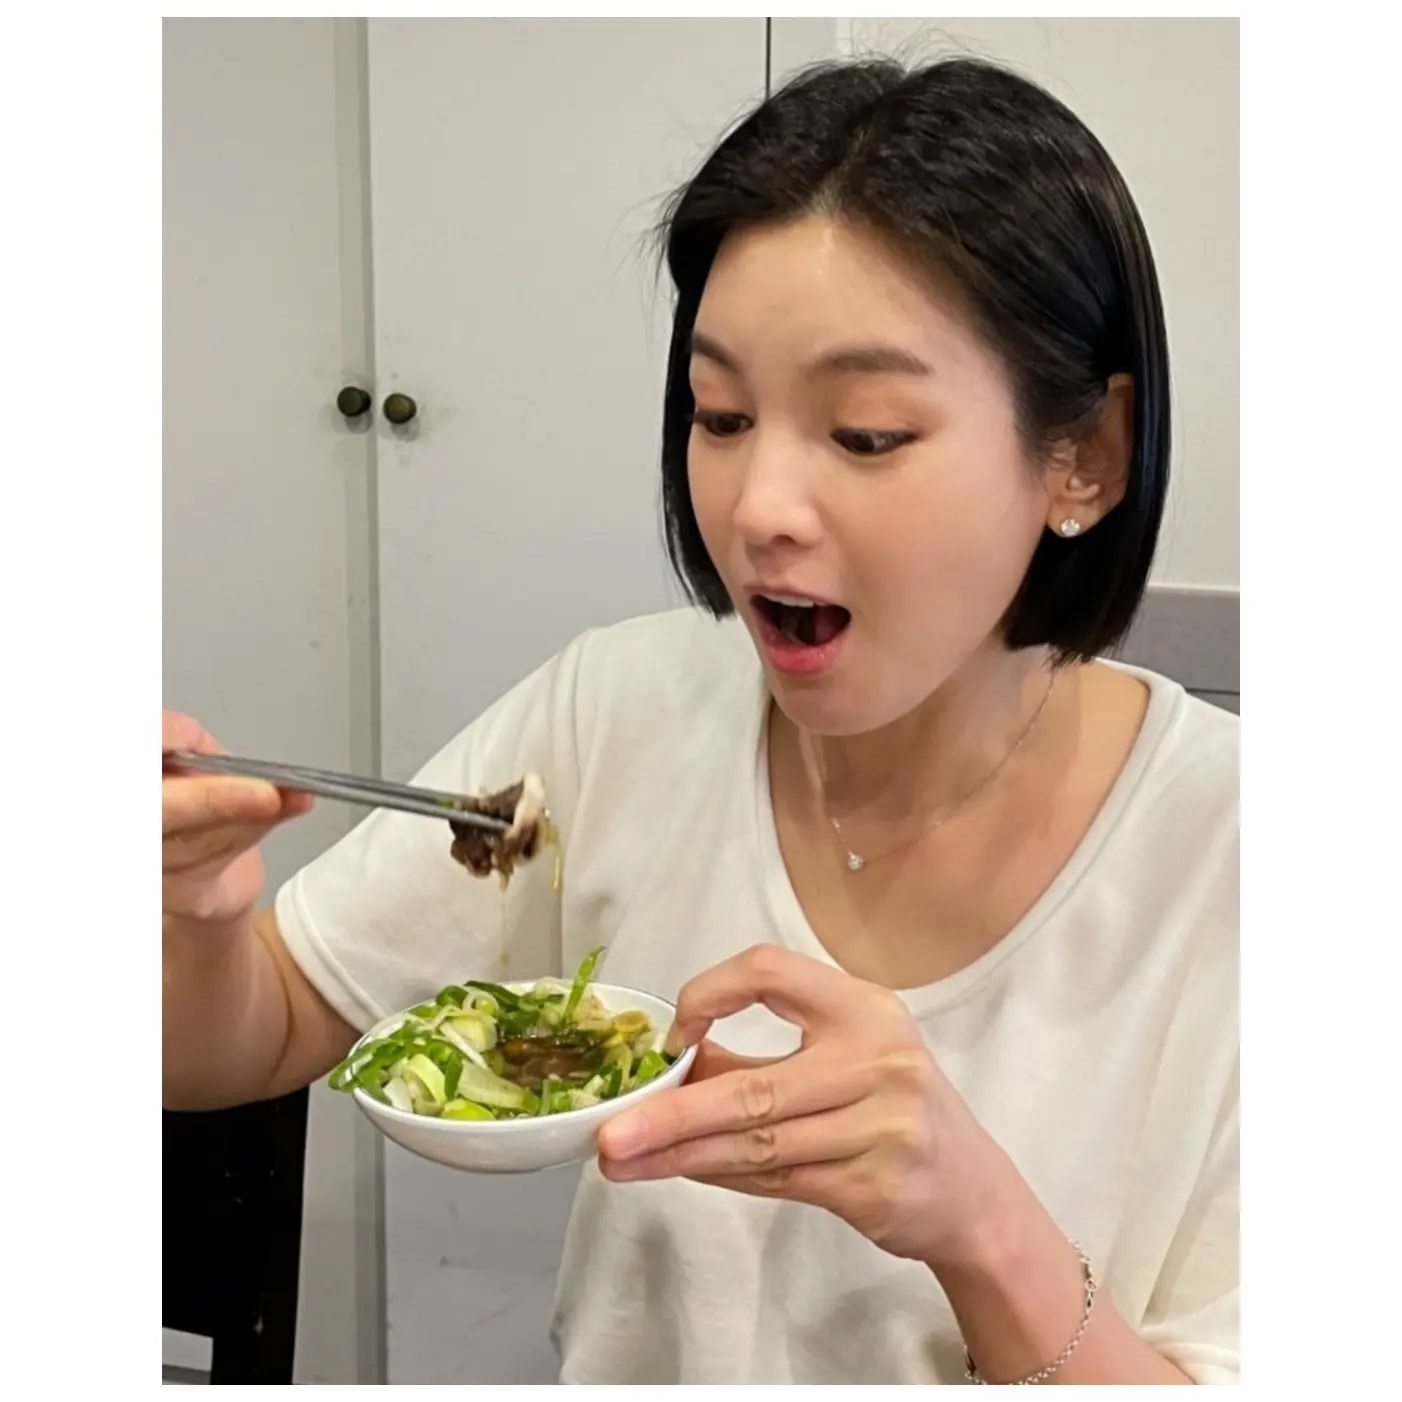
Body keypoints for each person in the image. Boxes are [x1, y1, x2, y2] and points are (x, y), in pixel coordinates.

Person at [163, 56, 1238, 1385]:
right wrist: (190, 918)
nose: (757, 505)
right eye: (720, 415)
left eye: (864, 433)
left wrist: (981, 1226)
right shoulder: (617, 710)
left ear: (1085, 456)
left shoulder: (1242, 856)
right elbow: (255, 1029)